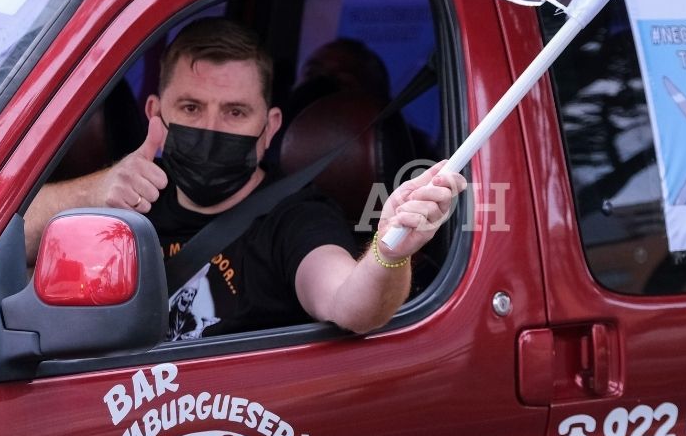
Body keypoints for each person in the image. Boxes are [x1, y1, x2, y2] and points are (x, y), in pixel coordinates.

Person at [24, 17, 466, 338]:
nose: (211, 128)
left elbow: (349, 304)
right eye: (191, 108)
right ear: (155, 113)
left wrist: (390, 250)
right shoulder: (124, 198)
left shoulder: (296, 218)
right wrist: (95, 190)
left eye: (235, 112)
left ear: (269, 127)